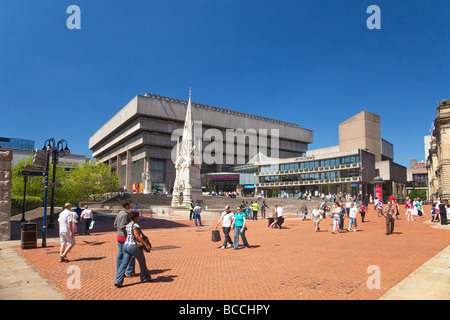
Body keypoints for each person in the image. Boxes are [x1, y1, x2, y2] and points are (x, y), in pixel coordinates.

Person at [114, 211, 151, 288]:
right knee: (142, 262)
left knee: (124, 264)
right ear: (136, 217)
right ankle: (145, 278)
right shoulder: (135, 225)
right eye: (138, 216)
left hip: (126, 245)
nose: (138, 217)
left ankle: (118, 281)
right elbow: (137, 236)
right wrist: (146, 244)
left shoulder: (128, 225)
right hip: (133, 246)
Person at [113, 202, 136, 277]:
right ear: (126, 206)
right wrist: (130, 228)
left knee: (120, 254)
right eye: (129, 205)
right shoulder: (126, 214)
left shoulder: (119, 213)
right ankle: (130, 271)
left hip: (119, 236)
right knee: (131, 254)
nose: (130, 206)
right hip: (124, 237)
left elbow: (115, 224)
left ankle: (119, 271)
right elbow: (123, 226)